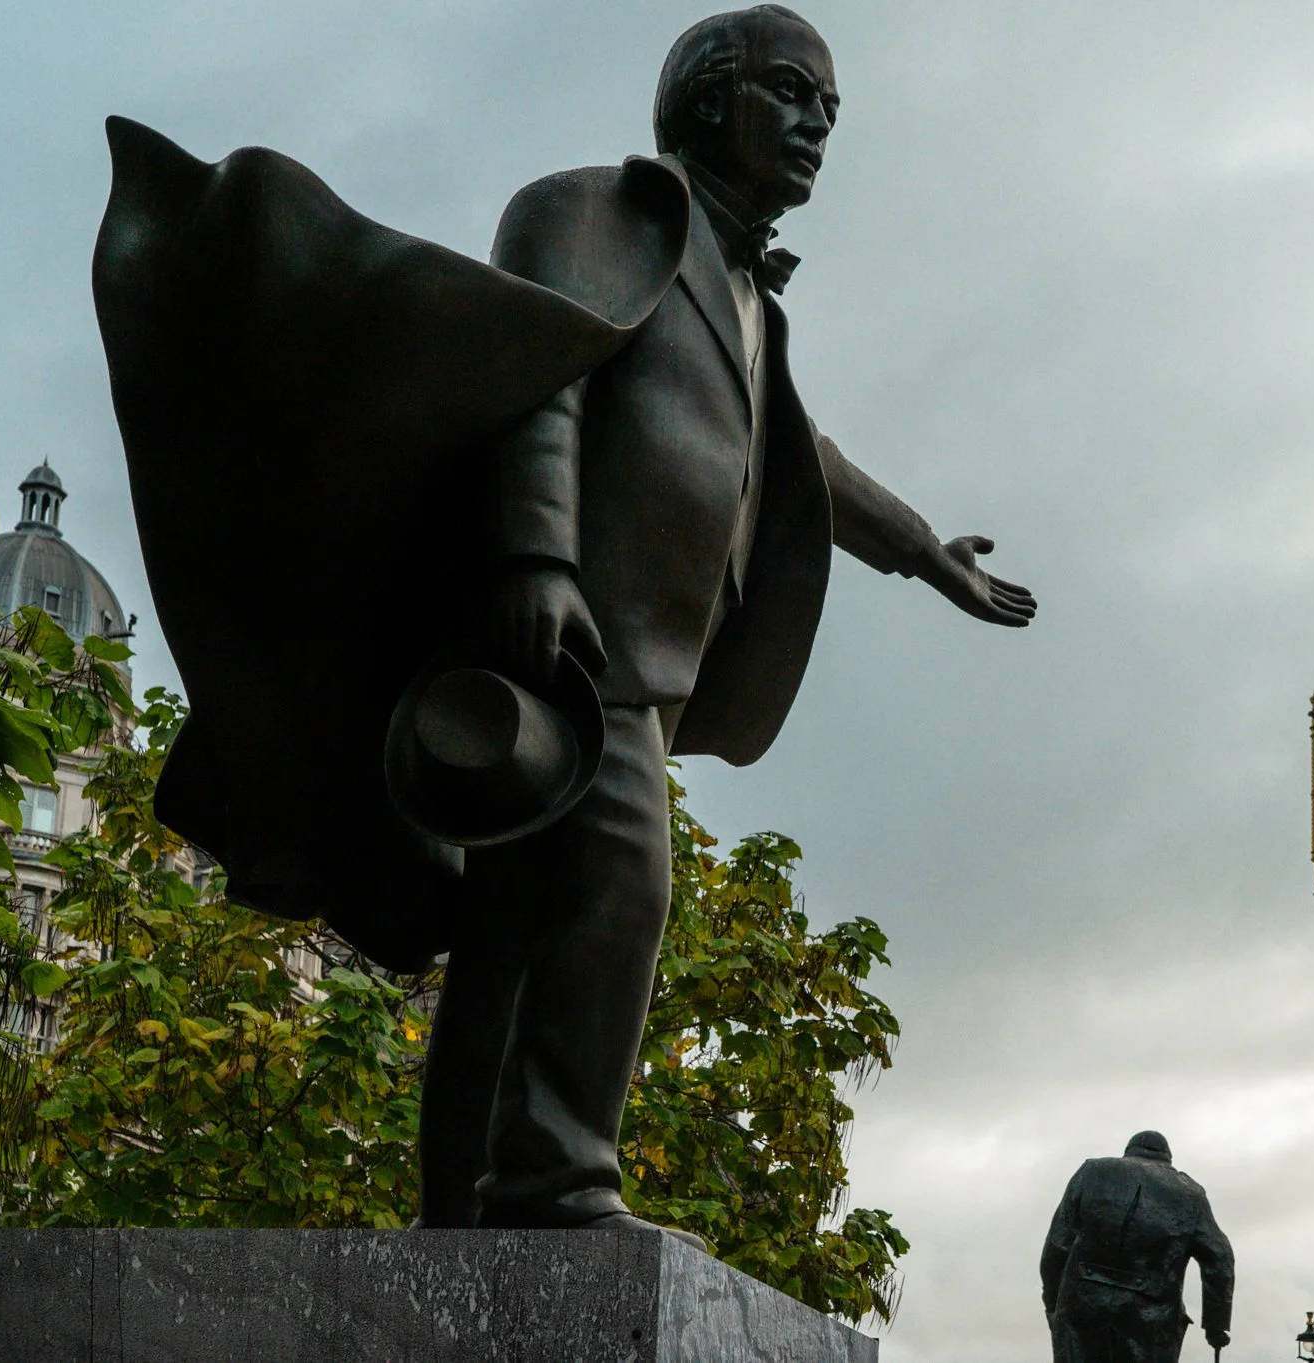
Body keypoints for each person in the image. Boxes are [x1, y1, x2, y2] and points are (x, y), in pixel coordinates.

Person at [410, 5, 1037, 1230]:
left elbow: (805, 459)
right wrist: (539, 558)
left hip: (641, 655)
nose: (817, 126)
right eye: (793, 93)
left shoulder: (748, 294)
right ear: (708, 100)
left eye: (831, 112)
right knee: (619, 882)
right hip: (575, 637)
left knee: (512, 936)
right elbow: (536, 378)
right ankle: (553, 1179)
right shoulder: (590, 213)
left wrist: (921, 551)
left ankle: (461, 1213)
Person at [1042, 1132, 1235, 1361]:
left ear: (1129, 1151)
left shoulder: (1091, 1171)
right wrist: (1215, 1325)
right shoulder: (1191, 1193)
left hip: (1082, 1306)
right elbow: (1220, 1257)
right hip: (1151, 1317)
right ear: (1167, 1159)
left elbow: (1056, 1245)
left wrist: (1053, 1304)